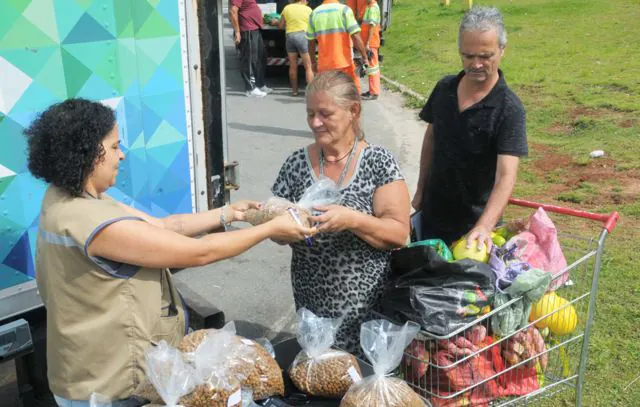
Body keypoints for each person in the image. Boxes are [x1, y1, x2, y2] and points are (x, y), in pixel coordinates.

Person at [25, 99, 314, 406]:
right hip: (111, 385)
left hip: (84, 370)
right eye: (113, 147)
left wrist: (231, 213)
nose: (121, 155)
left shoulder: (67, 198)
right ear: (86, 154)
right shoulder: (93, 222)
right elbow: (198, 253)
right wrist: (270, 229)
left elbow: (166, 226)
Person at [271, 71, 410, 354]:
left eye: (325, 114)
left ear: (353, 111)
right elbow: (276, 226)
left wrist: (352, 219)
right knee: (317, 377)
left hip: (365, 308)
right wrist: (281, 221)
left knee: (359, 384)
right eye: (310, 114)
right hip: (311, 303)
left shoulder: (378, 163)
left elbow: (399, 234)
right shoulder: (297, 162)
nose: (315, 123)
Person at [412, 6, 528, 249]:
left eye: (485, 56)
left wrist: (484, 226)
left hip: (475, 233)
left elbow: (506, 175)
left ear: (502, 50)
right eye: (468, 55)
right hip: (432, 218)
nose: (475, 64)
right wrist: (421, 189)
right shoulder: (444, 89)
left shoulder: (509, 109)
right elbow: (431, 138)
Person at [306, 0, 370, 94]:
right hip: (344, 64)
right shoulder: (344, 10)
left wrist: (313, 63)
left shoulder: (314, 13)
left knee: (327, 97)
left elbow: (310, 42)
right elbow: (355, 36)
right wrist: (364, 57)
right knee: (351, 95)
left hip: (324, 65)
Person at [230, 0, 272, 97]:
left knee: (261, 57)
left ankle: (260, 84)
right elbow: (233, 11)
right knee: (249, 60)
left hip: (255, 29)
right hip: (247, 30)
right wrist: (237, 32)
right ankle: (250, 88)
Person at [278, 0, 314, 96]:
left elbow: (281, 26)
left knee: (293, 66)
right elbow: (313, 25)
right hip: (303, 36)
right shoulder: (308, 9)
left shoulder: (287, 8)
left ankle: (294, 91)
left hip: (290, 36)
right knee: (308, 66)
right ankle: (310, 93)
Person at [360, 0, 382, 100]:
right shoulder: (369, 6)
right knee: (371, 67)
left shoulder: (373, 8)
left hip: (371, 42)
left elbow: (372, 26)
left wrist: (368, 42)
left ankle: (374, 92)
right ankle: (372, 90)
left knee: (373, 67)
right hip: (370, 42)